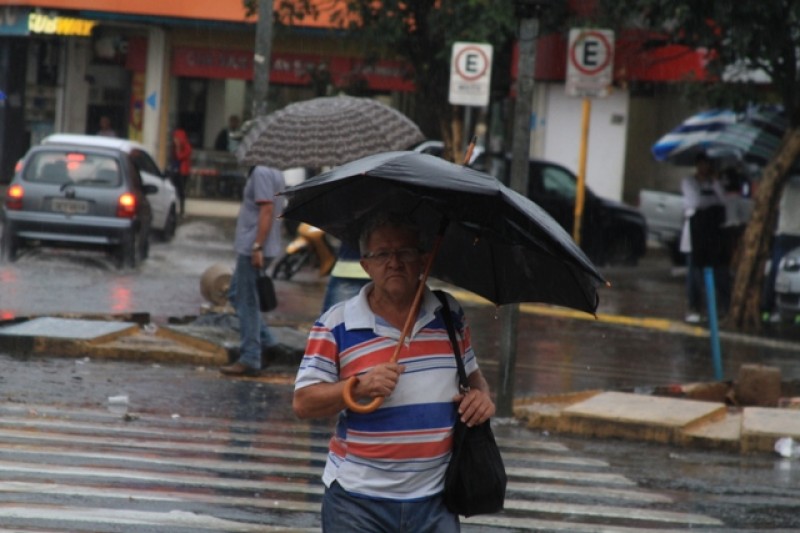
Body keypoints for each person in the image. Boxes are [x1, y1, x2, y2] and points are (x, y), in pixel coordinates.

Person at [293, 212, 495, 532]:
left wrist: (483, 397)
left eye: (405, 252)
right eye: (382, 254)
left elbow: (473, 376)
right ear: (366, 265)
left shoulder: (449, 313)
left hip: (436, 502)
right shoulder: (335, 324)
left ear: (422, 259)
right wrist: (357, 387)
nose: (394, 263)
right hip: (357, 505)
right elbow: (304, 403)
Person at [220, 165, 297, 376]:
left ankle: (250, 357)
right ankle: (268, 342)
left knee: (247, 301)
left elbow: (267, 209)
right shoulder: (276, 171)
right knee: (236, 294)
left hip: (253, 246)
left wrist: (257, 246)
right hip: (262, 244)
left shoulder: (262, 171)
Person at [679, 152, 728, 323]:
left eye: (708, 164)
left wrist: (714, 182)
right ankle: (694, 307)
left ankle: (716, 308)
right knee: (694, 273)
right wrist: (710, 203)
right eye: (702, 164)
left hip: (711, 235)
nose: (705, 168)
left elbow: (723, 200)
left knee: (717, 272)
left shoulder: (714, 182)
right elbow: (694, 202)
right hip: (694, 234)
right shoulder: (689, 182)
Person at [762, 174, 800, 322]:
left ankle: (768, 309)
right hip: (791, 234)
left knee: (776, 272)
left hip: (783, 233)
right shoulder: (788, 185)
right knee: (784, 273)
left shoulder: (784, 184)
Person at [170, 127, 192, 216]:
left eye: (176, 137)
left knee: (181, 191)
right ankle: (174, 209)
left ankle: (181, 210)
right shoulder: (173, 146)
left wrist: (178, 147)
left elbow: (180, 156)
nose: (174, 139)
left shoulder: (185, 146)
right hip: (176, 171)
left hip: (182, 172)